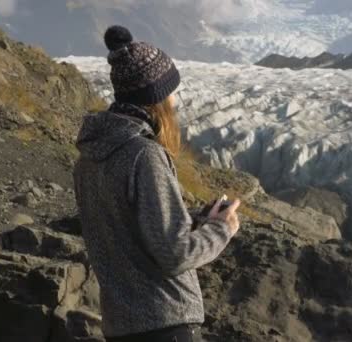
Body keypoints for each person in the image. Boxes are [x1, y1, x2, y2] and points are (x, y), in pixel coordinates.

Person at [73, 25, 240, 342]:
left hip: (120, 326)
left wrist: (193, 218)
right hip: (166, 323)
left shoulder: (88, 159)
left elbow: (128, 229)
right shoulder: (144, 155)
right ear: (157, 98)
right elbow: (173, 254)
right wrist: (221, 229)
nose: (175, 100)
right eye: (171, 92)